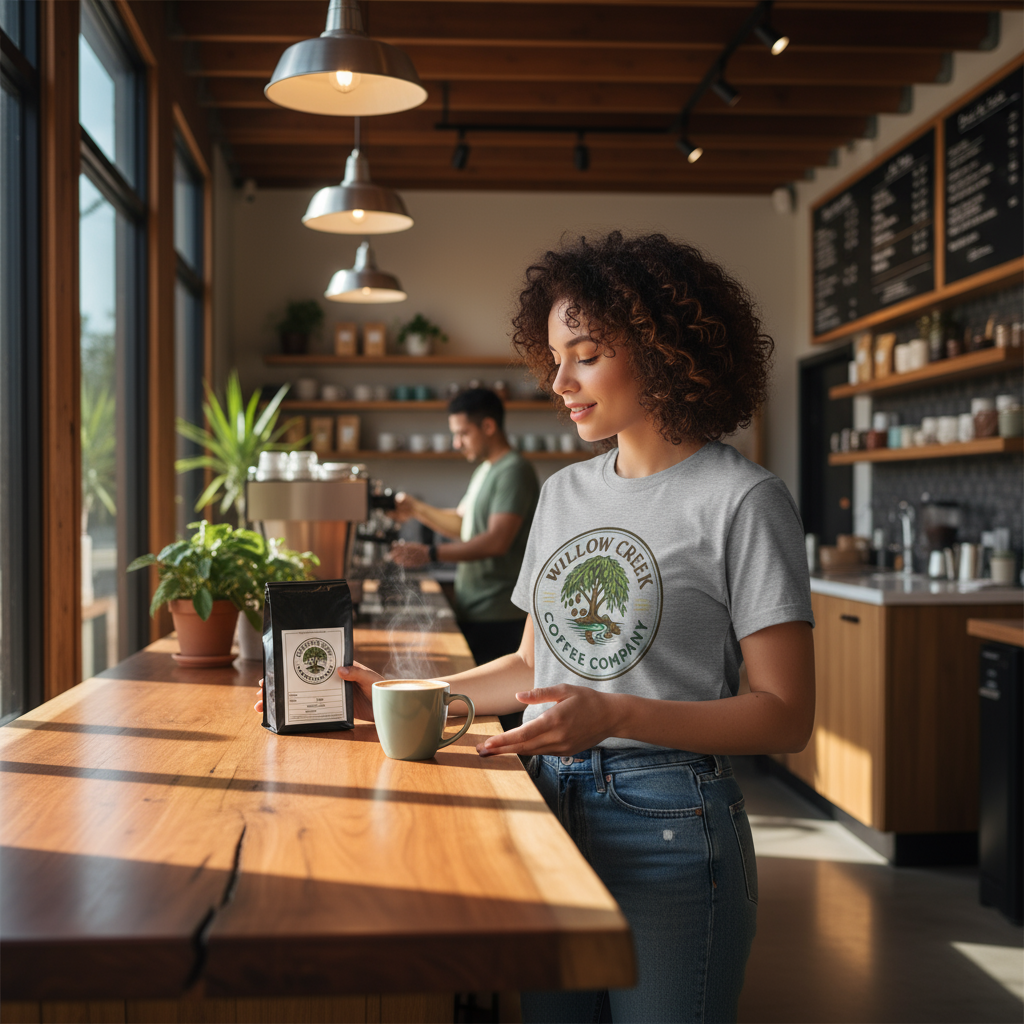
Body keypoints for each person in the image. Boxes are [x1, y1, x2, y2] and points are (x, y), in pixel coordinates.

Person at [258, 232, 815, 1023]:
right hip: (549, 806)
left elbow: (786, 714)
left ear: (662, 351)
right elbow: (529, 668)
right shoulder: (563, 495)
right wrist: (400, 694)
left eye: (584, 354)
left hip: (672, 826)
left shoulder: (743, 499)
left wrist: (617, 713)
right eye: (554, 356)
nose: (558, 381)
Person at [389, 388, 540, 678]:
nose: (457, 443)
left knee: (495, 713)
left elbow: (496, 541)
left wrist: (430, 554)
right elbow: (462, 525)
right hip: (476, 608)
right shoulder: (486, 469)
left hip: (499, 614)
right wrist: (415, 508)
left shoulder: (514, 470)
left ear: (488, 426)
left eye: (463, 433)